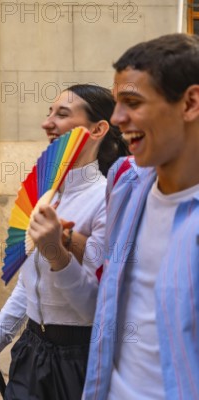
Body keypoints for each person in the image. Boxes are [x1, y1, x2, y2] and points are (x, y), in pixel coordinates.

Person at [0, 84, 129, 400]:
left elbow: (93, 308)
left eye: (62, 114)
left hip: (82, 358)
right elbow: (26, 287)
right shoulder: (45, 195)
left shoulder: (109, 199)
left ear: (98, 129)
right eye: (48, 114)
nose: (47, 123)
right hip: (31, 352)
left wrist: (56, 253)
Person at [83, 33, 199, 400]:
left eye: (132, 102)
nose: (117, 119)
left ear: (190, 103)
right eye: (117, 103)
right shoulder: (124, 183)